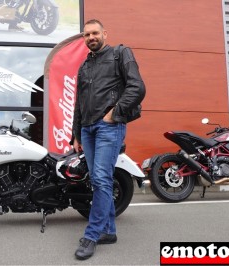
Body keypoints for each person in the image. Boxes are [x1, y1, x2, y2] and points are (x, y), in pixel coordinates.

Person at [72, 19, 146, 260]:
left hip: (108, 127)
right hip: (87, 129)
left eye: (95, 33)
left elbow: (137, 87)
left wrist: (114, 114)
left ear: (105, 33)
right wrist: (76, 133)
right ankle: (109, 231)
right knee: (97, 180)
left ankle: (92, 235)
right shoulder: (84, 67)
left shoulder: (120, 54)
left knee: (102, 179)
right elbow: (78, 104)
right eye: (86, 35)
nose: (91, 37)